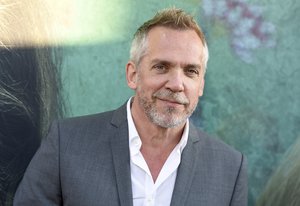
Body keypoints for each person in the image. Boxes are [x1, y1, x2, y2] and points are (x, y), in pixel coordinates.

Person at [13, 7, 247, 206]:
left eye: (190, 71)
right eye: (161, 67)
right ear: (132, 75)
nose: (177, 84)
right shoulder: (67, 144)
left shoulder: (230, 169)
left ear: (201, 85)